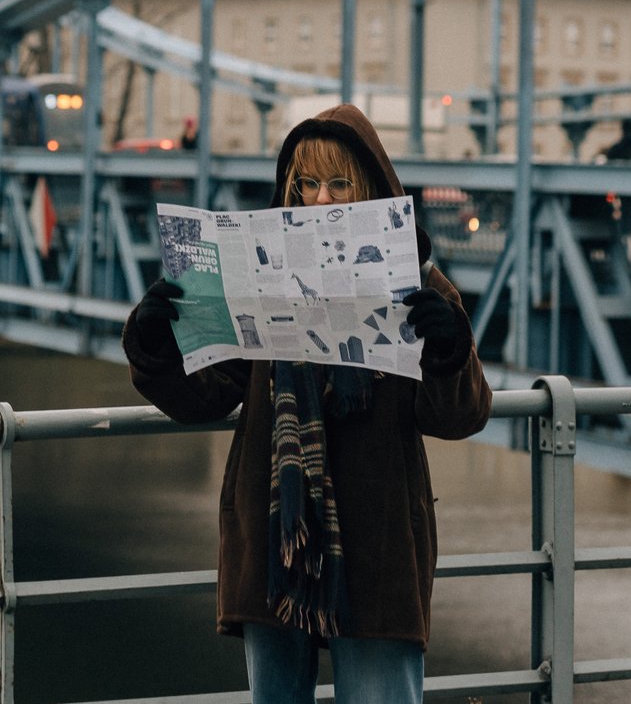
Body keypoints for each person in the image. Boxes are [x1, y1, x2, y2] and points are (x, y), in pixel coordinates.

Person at [123, 104, 492, 703]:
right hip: (277, 548)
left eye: (338, 183)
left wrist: (449, 345)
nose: (320, 199)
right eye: (306, 185)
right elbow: (204, 397)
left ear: (371, 187)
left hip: (375, 551)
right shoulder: (262, 276)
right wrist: (156, 342)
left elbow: (462, 415)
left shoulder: (417, 281)